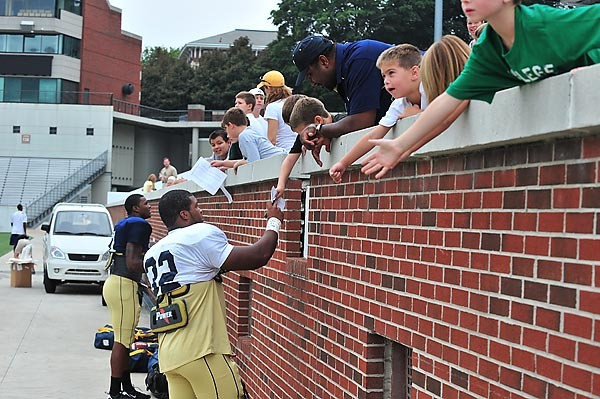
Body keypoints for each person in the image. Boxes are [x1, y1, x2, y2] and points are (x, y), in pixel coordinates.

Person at [362, 0, 600, 179]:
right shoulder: (488, 51)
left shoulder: (546, 24)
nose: (466, 0)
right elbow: (450, 100)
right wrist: (400, 145)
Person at [143, 189, 284, 399]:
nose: (201, 211)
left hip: (169, 356)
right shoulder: (198, 235)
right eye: (196, 206)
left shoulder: (153, 252)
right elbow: (259, 255)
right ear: (184, 214)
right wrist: (274, 221)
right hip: (201, 351)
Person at [329, 44, 427, 184]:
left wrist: (420, 114)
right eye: (383, 76)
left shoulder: (432, 89)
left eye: (391, 73)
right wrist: (343, 163)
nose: (386, 81)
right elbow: (374, 134)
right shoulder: (399, 104)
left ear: (414, 73)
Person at [292, 35, 393, 159]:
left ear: (324, 61)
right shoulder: (345, 71)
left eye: (310, 74)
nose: (312, 82)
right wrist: (326, 133)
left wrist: (320, 129)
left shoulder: (360, 59)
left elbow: (362, 121)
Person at [103, 194, 152, 399]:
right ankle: (116, 392)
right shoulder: (139, 224)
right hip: (124, 285)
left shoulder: (125, 223)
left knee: (125, 339)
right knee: (122, 341)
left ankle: (127, 388)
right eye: (145, 203)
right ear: (135, 208)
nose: (149, 206)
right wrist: (154, 264)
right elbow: (132, 263)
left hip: (117, 283)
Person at [274, 96, 333, 200]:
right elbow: (289, 159)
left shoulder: (341, 121)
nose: (304, 137)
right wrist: (281, 185)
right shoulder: (302, 137)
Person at [213, 107, 287, 172]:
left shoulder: (244, 136)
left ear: (231, 125)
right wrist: (223, 163)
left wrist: (238, 164)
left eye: (226, 128)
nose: (226, 133)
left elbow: (254, 162)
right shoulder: (248, 133)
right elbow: (249, 159)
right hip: (281, 160)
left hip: (282, 161)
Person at [258, 70, 298, 151]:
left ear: (268, 88)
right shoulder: (295, 103)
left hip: (283, 152)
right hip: (300, 150)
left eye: (264, 88)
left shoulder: (272, 107)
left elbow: (272, 140)